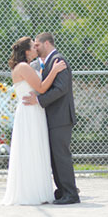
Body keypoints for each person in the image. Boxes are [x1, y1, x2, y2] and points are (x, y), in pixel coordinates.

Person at [1, 36, 66, 205]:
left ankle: (38, 190)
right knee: (32, 150)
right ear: (27, 51)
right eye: (33, 46)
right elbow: (42, 87)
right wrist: (55, 70)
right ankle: (32, 193)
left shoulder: (27, 66)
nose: (36, 49)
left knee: (36, 149)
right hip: (30, 112)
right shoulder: (23, 67)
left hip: (34, 110)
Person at [23, 32, 79, 205]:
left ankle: (71, 193)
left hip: (61, 117)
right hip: (53, 117)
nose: (35, 48)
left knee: (61, 156)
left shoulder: (58, 61)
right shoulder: (48, 63)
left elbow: (61, 89)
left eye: (37, 45)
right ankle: (62, 190)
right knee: (55, 157)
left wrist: (39, 100)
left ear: (46, 44)